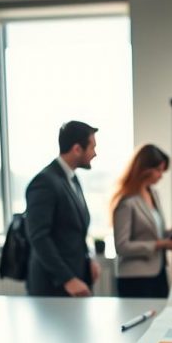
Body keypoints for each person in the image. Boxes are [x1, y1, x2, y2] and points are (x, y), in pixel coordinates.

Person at [24, 121, 102, 297]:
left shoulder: (71, 179)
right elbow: (39, 237)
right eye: (92, 147)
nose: (95, 153)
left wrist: (89, 260)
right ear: (77, 149)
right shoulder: (44, 182)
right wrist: (68, 279)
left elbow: (76, 231)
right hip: (53, 285)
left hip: (76, 277)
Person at [111, 145, 172, 298]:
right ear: (145, 169)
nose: (161, 175)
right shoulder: (127, 202)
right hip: (136, 277)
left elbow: (152, 234)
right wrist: (161, 244)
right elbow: (122, 246)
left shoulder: (153, 194)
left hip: (158, 272)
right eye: (159, 170)